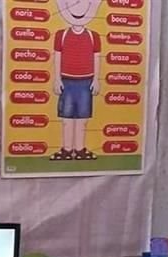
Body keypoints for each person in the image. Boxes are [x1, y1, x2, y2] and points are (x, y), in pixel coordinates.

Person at [51, 0, 102, 162]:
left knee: (82, 119)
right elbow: (57, 57)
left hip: (86, 82)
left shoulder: (94, 37)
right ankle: (66, 149)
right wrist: (57, 79)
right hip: (66, 82)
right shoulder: (61, 35)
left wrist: (96, 80)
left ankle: (79, 149)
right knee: (66, 119)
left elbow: (97, 58)